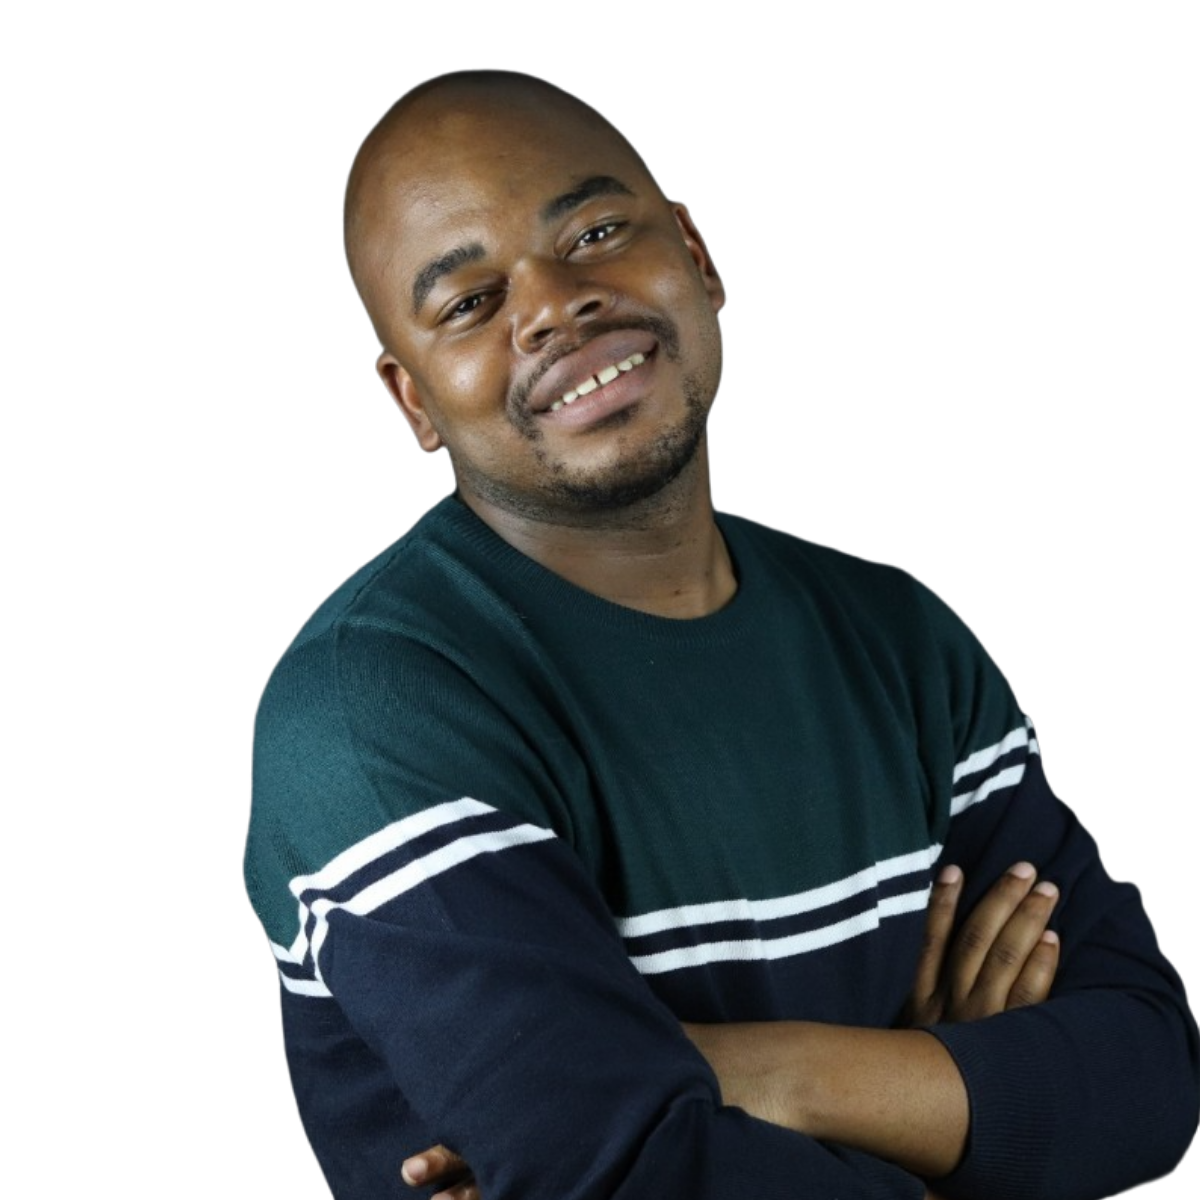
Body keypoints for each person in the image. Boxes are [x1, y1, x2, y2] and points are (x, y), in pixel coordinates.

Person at [244, 70, 1198, 1200]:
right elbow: (630, 1174)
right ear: (414, 399)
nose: (553, 305)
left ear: (695, 255)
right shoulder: (376, 710)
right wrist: (954, 1110)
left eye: (595, 234)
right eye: (470, 302)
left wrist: (759, 1074)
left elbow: (1148, 1072)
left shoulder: (899, 643)